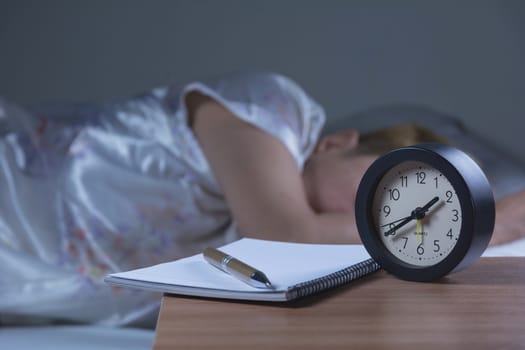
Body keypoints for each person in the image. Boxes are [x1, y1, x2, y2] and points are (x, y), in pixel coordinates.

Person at [0, 71, 523, 326]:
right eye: (393, 188)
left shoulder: (302, 262)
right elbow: (287, 234)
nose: (377, 219)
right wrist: (489, 224)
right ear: (335, 143)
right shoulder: (273, 109)